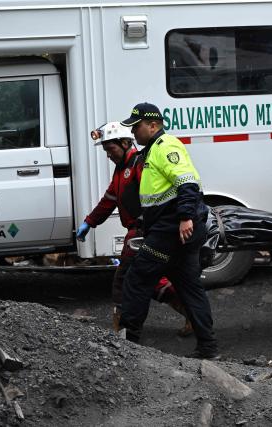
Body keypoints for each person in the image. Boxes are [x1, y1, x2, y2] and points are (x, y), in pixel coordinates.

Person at [118, 102, 218, 359]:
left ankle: (128, 345)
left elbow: (187, 182)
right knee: (188, 285)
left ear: (153, 125)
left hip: (173, 228)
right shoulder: (151, 151)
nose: (133, 133)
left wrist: (185, 217)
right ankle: (207, 347)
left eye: (136, 127)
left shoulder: (166, 146)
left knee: (137, 277)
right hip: (171, 227)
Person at [77, 122, 192, 336]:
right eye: (105, 151)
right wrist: (89, 222)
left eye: (110, 150)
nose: (108, 155)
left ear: (125, 143)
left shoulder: (139, 165)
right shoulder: (121, 171)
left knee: (124, 279)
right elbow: (109, 200)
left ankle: (122, 329)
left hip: (143, 231)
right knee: (154, 280)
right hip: (139, 232)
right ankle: (191, 313)